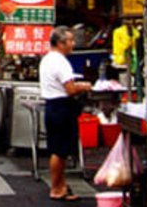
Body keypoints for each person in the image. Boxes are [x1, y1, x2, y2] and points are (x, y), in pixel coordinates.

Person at [40, 26, 92, 202]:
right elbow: (70, 89)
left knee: (58, 149)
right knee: (59, 150)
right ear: (61, 43)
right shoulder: (60, 62)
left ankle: (61, 186)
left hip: (53, 107)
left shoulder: (48, 59)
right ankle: (56, 188)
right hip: (61, 107)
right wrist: (84, 86)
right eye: (70, 40)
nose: (73, 44)